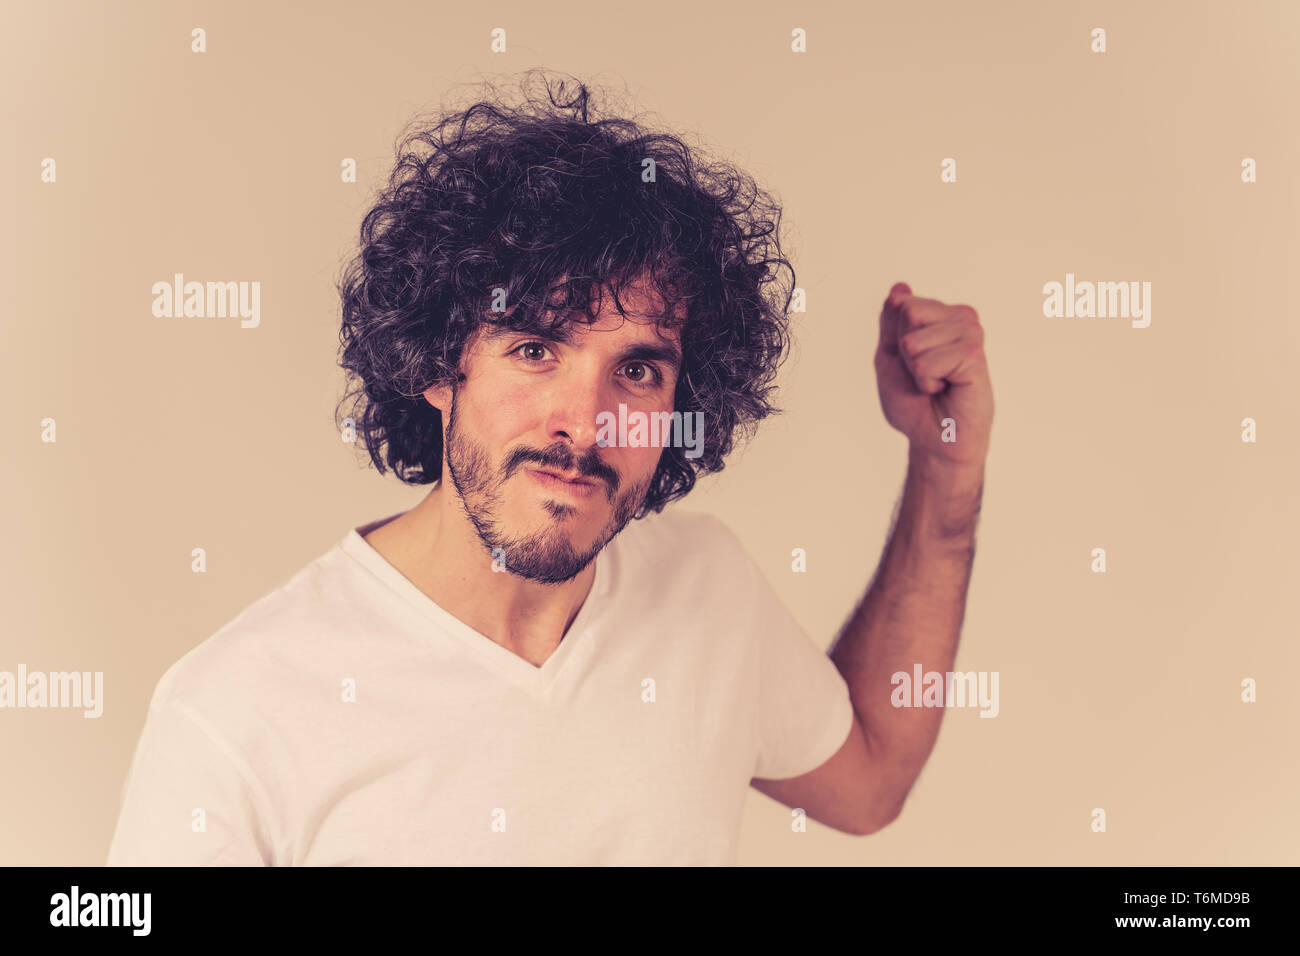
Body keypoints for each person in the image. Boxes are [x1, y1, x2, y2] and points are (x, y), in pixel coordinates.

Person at [107, 70, 993, 866]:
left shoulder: (706, 587)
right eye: (535, 349)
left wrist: (946, 468)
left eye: (638, 370)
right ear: (433, 364)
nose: (586, 422)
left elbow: (869, 781)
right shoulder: (233, 712)